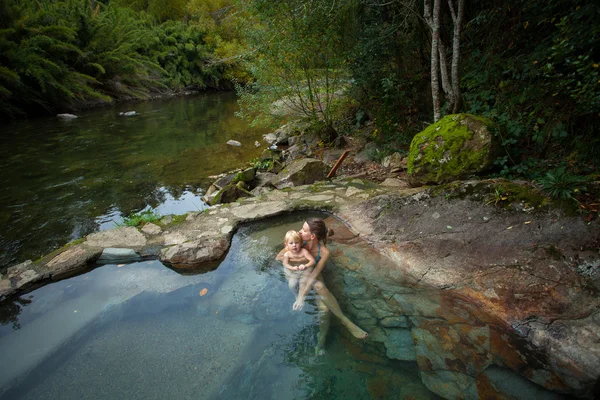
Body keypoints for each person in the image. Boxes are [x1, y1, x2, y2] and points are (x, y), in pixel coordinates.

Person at [277, 218, 367, 355]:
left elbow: (314, 274)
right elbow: (279, 257)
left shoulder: (323, 252)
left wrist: (301, 297)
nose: (300, 232)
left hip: (313, 273)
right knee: (319, 290)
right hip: (297, 272)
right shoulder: (298, 242)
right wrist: (295, 263)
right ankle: (343, 322)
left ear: (312, 236)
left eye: (303, 230)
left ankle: (323, 338)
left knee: (324, 308)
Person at [281, 230, 316, 299]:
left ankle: (303, 295)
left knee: (303, 282)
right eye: (291, 243)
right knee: (291, 285)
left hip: (304, 268)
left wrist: (305, 265)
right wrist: (291, 268)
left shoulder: (304, 252)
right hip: (294, 269)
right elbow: (285, 264)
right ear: (286, 245)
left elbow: (313, 261)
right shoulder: (287, 254)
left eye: (296, 242)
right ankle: (295, 294)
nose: (294, 245)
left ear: (300, 243)